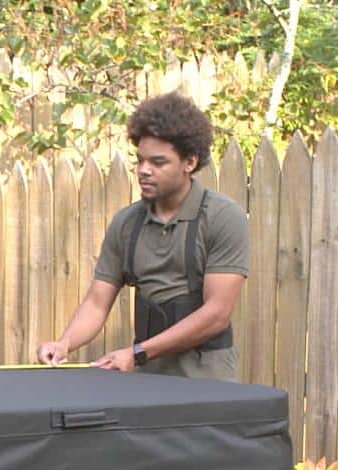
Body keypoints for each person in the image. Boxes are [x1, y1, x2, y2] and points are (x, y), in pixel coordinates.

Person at [36, 93, 248, 380]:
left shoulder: (222, 217)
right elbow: (97, 302)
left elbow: (216, 314)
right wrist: (64, 343)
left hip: (206, 379)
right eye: (140, 161)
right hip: (147, 378)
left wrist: (137, 354)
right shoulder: (127, 224)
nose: (144, 171)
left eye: (158, 163)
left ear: (189, 162)